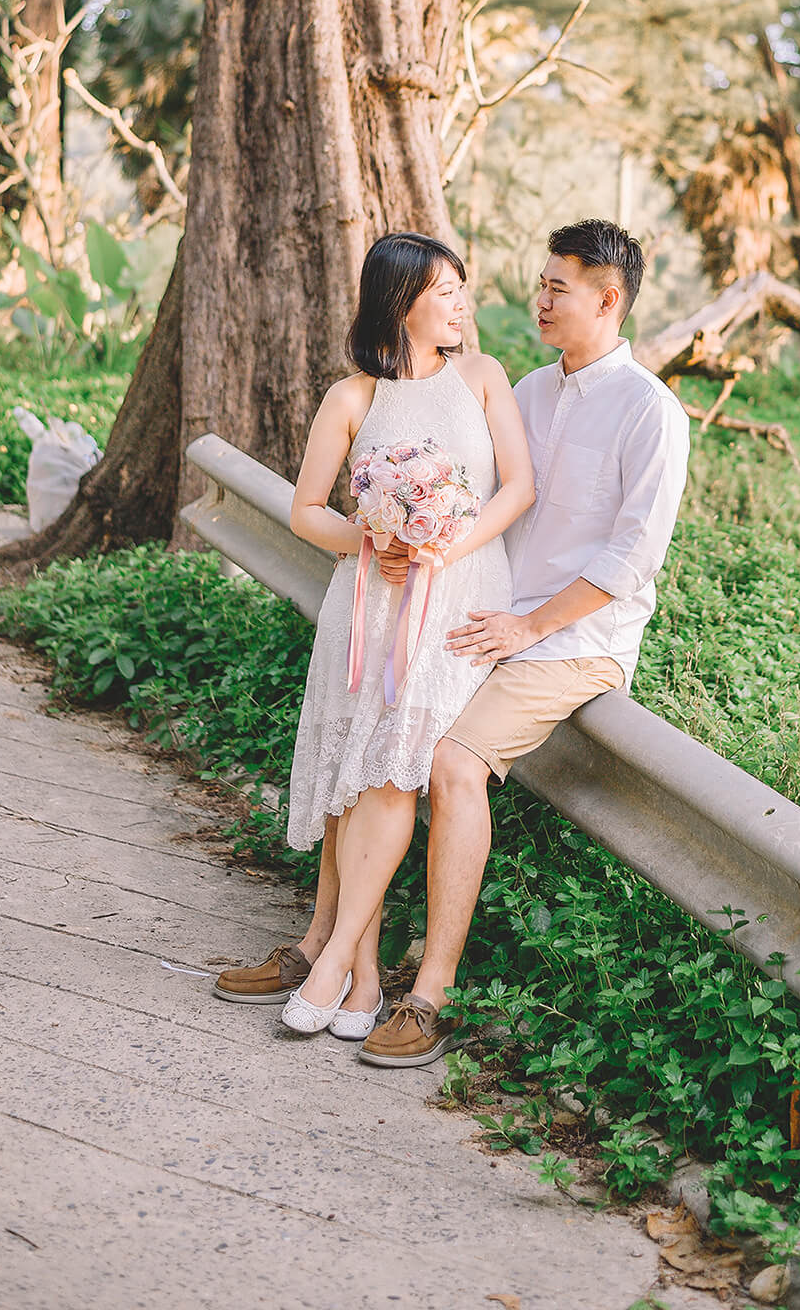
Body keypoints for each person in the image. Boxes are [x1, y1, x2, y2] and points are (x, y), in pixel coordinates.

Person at [358, 218, 690, 1067]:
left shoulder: (651, 411)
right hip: (483, 616)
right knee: (375, 729)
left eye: (559, 288)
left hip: (574, 639)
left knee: (454, 764)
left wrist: (531, 626)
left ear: (609, 300)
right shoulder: (527, 391)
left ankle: (430, 993)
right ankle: (340, 954)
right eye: (539, 283)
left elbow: (631, 559)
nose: (539, 300)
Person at [213, 231, 533, 1040]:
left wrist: (442, 545)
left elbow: (519, 488)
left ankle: (330, 958)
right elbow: (306, 510)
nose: (463, 303)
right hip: (371, 604)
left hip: (456, 600)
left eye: (463, 289)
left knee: (392, 774)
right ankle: (357, 979)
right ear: (402, 303)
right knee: (352, 781)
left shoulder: (485, 379)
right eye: (448, 290)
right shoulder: (352, 397)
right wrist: (373, 539)